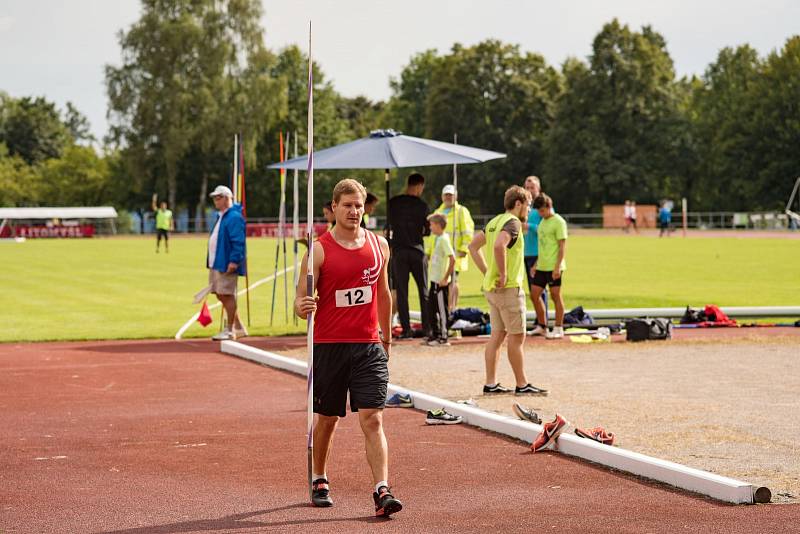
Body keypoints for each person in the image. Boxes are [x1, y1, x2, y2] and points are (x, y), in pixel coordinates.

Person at [294, 178, 403, 518]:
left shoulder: (379, 245)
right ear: (334, 208)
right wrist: (302, 306)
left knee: (373, 418)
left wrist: (385, 338)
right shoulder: (319, 249)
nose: (354, 211)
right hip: (329, 345)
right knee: (327, 419)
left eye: (359, 205)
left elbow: (382, 295)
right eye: (347, 205)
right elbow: (299, 299)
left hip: (368, 345)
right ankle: (319, 477)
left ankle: (382, 489)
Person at [468, 186, 548, 397]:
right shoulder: (513, 223)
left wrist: (488, 272)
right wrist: (502, 275)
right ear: (519, 203)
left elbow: (473, 247)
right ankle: (522, 384)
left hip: (492, 290)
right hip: (508, 288)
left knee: (497, 335)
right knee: (517, 336)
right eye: (528, 205)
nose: (529, 210)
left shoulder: (495, 221)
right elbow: (498, 246)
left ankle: (490, 383)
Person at [388, 173, 430, 339]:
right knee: (423, 290)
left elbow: (389, 224)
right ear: (420, 186)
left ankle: (406, 329)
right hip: (417, 250)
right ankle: (427, 328)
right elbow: (426, 230)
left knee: (402, 292)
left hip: (398, 250)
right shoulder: (422, 205)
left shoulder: (394, 203)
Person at [425, 184, 474, 310]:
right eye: (446, 195)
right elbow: (432, 236)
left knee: (453, 281)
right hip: (440, 257)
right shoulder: (438, 212)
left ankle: (452, 308)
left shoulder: (461, 211)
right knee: (442, 282)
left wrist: (464, 249)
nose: (448, 197)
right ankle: (444, 309)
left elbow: (468, 232)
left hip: (455, 255)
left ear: (455, 196)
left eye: (450, 195)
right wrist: (429, 252)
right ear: (442, 196)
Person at [207, 185, 247, 341]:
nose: (215, 201)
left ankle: (230, 330)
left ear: (226, 198)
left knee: (226, 294)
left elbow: (238, 241)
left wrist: (234, 260)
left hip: (226, 262)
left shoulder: (234, 217)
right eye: (214, 198)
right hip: (217, 262)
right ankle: (238, 326)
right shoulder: (222, 216)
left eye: (218, 197)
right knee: (219, 293)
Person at [531, 193, 568, 340]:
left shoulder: (559, 222)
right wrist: (535, 264)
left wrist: (557, 267)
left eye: (541, 211)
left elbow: (562, 246)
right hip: (542, 265)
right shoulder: (543, 222)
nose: (540, 214)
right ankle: (542, 326)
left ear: (548, 207)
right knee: (534, 295)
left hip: (554, 266)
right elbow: (542, 245)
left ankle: (559, 328)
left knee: (555, 296)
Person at [522, 176, 548, 335]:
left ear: (538, 188)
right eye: (527, 187)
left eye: (532, 187)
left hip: (538, 253)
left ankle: (542, 323)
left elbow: (547, 227)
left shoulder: (542, 205)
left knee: (538, 290)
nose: (529, 190)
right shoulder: (526, 206)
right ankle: (539, 319)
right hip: (526, 252)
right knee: (532, 289)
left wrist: (529, 226)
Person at [426, 213, 455, 346]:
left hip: (440, 282)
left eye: (431, 225)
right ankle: (435, 334)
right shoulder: (437, 239)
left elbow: (452, 259)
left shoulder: (444, 239)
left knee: (442, 309)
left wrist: (445, 277)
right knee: (431, 308)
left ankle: (444, 337)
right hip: (433, 280)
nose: (430, 227)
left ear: (438, 225)